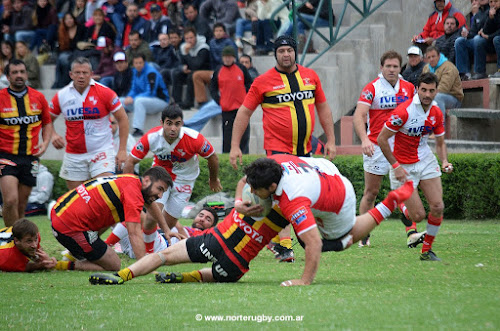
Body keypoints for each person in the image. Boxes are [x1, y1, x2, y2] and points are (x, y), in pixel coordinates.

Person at [88, 156, 413, 286]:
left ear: (271, 189)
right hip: (318, 169)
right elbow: (247, 180)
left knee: (338, 241)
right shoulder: (272, 170)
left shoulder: (291, 201)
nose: (250, 197)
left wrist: (304, 281)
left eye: (258, 194)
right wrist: (242, 200)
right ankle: (390, 204)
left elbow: (313, 243)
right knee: (206, 270)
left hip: (339, 196)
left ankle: (388, 204)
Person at [377, 72, 453, 262]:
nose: (427, 94)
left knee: (437, 206)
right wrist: (395, 166)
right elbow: (382, 139)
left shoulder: (436, 111)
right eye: (424, 90)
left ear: (436, 91)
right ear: (417, 89)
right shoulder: (404, 111)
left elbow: (441, 142)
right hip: (403, 166)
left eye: (431, 90)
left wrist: (444, 161)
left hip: (425, 160)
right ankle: (399, 203)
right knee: (417, 216)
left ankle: (426, 251)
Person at [230, 35, 336, 168]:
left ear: (295, 52)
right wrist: (235, 146)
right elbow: (244, 113)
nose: (286, 54)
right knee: (282, 188)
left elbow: (323, 108)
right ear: (275, 54)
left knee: (303, 188)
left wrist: (331, 140)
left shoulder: (311, 76)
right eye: (281, 51)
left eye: (289, 50)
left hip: (305, 151)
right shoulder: (262, 81)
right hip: (277, 151)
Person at [123, 104, 222, 243]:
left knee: (167, 224)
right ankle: (140, 245)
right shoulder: (151, 137)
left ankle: (148, 244)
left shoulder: (194, 138)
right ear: (162, 123)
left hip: (185, 180)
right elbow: (130, 161)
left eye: (177, 124)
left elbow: (212, 157)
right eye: (169, 123)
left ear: (182, 123)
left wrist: (213, 179)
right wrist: (127, 188)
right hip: (160, 177)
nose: (173, 128)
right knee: (152, 217)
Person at [51, 167, 173, 271]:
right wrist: (143, 267)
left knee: (114, 213)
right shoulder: (133, 193)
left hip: (59, 212)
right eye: (160, 189)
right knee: (114, 264)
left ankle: (74, 253)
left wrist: (166, 229)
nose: (160, 196)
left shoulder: (132, 180)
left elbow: (150, 205)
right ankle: (60, 264)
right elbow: (134, 233)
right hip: (68, 227)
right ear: (147, 181)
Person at [353, 50, 417, 247]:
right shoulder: (372, 88)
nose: (391, 70)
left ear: (400, 68)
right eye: (388, 66)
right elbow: (359, 115)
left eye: (395, 66)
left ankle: (412, 233)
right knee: (371, 192)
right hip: (376, 146)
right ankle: (363, 233)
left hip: (401, 145)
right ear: (381, 68)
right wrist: (364, 139)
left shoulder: (408, 88)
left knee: (404, 189)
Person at [50, 57, 129, 190]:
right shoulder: (61, 95)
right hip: (74, 155)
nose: (81, 76)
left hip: (101, 151)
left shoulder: (105, 92)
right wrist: (53, 135)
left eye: (85, 73)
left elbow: (123, 119)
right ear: (71, 74)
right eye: (77, 72)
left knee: (105, 192)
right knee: (78, 201)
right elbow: (47, 119)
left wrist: (122, 150)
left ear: (91, 74)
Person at [0, 59, 53, 227]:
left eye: (22, 72)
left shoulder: (38, 97)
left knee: (22, 204)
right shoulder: (1, 99)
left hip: (31, 158)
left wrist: (45, 143)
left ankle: (18, 243)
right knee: (10, 200)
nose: (19, 75)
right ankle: (9, 237)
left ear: (26, 74)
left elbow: (47, 122)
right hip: (6, 157)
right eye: (15, 73)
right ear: (8, 76)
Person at [106, 207, 219, 258]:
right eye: (201, 215)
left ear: (212, 226)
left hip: (160, 246)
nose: (202, 219)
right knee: (117, 214)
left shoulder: (202, 235)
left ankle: (106, 245)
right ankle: (94, 246)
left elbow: (188, 242)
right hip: (134, 246)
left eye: (208, 219)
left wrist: (173, 220)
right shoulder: (186, 226)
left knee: (138, 216)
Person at [210, 46, 252, 153]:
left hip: (241, 109)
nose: (227, 59)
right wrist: (219, 100)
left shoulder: (241, 68)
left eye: (229, 57)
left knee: (244, 135)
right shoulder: (218, 71)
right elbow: (213, 88)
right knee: (227, 137)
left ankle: (245, 156)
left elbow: (250, 83)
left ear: (233, 57)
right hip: (227, 110)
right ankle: (227, 157)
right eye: (225, 57)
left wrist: (246, 97)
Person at [121, 53, 170, 138]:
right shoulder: (135, 72)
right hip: (145, 101)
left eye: (140, 63)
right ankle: (119, 127)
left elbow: (151, 92)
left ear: (144, 62)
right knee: (120, 101)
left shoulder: (151, 72)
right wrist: (129, 97)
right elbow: (134, 89)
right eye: (136, 63)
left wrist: (134, 98)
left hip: (161, 101)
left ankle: (138, 129)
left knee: (139, 101)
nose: (138, 65)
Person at [171, 27, 211, 109]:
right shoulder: (183, 47)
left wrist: (187, 54)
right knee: (176, 73)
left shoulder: (203, 48)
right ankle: (177, 102)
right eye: (187, 38)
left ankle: (189, 102)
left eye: (191, 38)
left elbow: (197, 64)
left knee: (191, 76)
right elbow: (180, 63)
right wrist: (183, 68)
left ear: (195, 37)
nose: (189, 40)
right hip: (190, 70)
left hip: (202, 70)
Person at [422, 46, 463, 121]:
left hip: (453, 98)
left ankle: (440, 129)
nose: (431, 59)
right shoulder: (426, 68)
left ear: (439, 56)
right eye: (429, 57)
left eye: (433, 56)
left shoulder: (448, 67)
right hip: (432, 95)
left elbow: (443, 88)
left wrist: (427, 95)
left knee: (438, 97)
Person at [454, 0, 490, 80]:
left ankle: (480, 72)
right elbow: (473, 32)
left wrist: (483, 32)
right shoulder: (478, 13)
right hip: (477, 40)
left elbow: (491, 26)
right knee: (459, 41)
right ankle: (464, 73)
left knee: (477, 39)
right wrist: (467, 34)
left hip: (489, 40)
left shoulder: (492, 10)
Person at [481, 0, 500, 78]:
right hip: (492, 41)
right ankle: (480, 72)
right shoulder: (489, 12)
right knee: (479, 41)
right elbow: (485, 30)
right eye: (491, 2)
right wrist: (490, 18)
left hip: (495, 38)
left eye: (496, 1)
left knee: (496, 39)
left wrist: (489, 37)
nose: (493, 4)